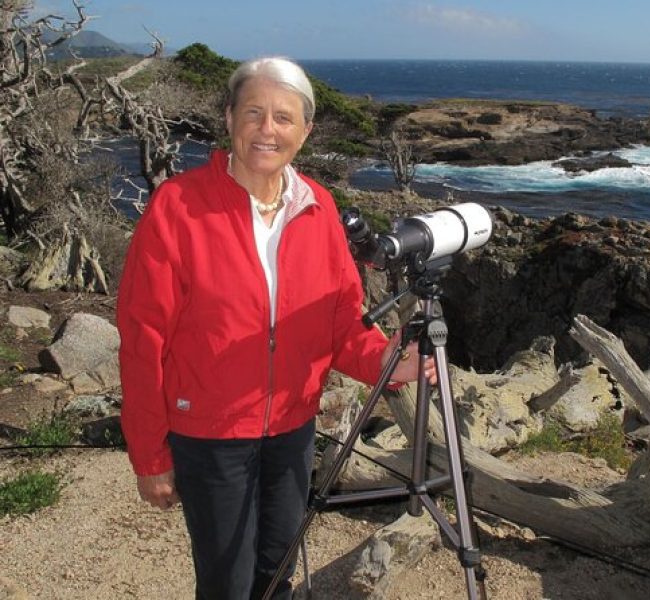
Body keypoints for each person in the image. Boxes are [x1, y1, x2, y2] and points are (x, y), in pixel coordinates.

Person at [117, 56, 434, 600]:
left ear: (305, 131)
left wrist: (386, 360)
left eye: (284, 118)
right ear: (229, 119)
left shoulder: (318, 208)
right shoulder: (178, 207)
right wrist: (150, 456)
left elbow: (340, 325)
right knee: (227, 584)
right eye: (254, 113)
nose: (268, 129)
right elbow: (143, 340)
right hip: (210, 435)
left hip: (291, 430)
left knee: (277, 570)